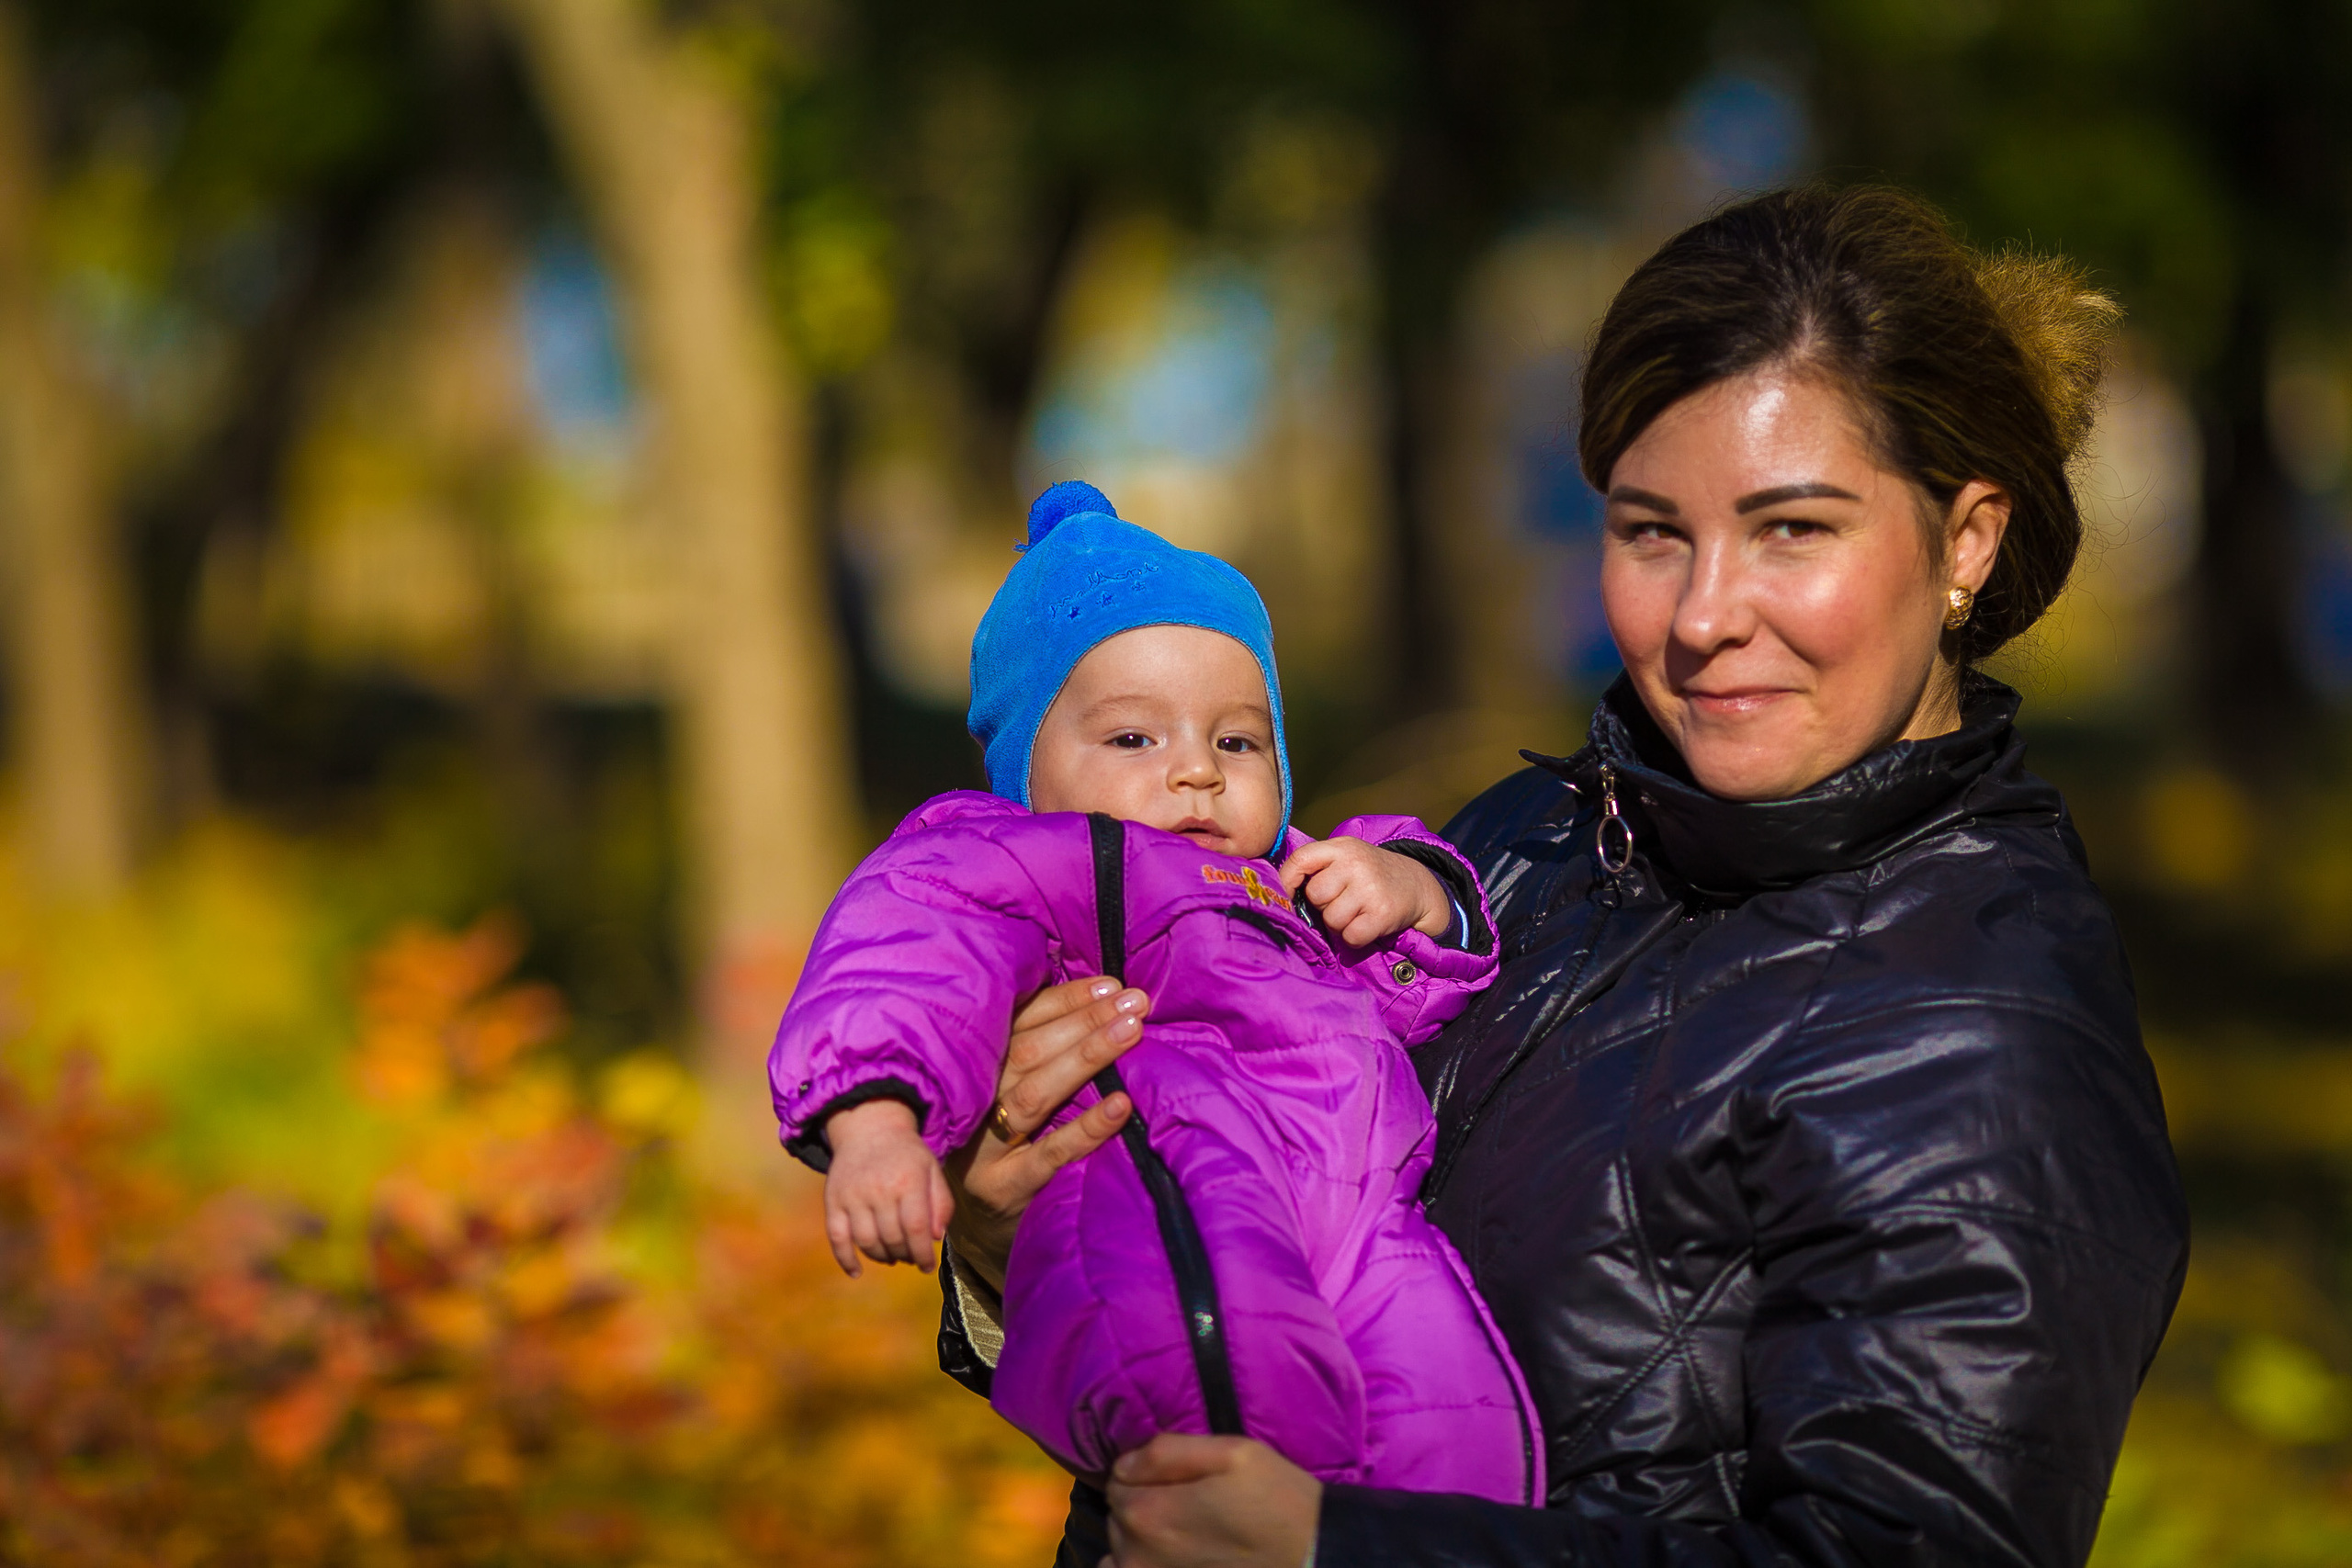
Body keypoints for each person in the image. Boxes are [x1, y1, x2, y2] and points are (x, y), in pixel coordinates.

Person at [933, 186, 2190, 1568]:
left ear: (1967, 540)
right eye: (1653, 530)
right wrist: (1012, 1233)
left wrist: (1338, 1549)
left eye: (1793, 529)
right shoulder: (1531, 835)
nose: (1705, 615)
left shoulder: (1986, 1032)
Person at [769, 482, 1543, 1502]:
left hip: (1368, 1223)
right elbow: (906, 953)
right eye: (1135, 740)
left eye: (1236, 741)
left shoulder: (1298, 882)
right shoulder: (1029, 860)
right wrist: (875, 1124)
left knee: (1460, 1435)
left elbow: (1428, 991)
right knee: (1234, 1414)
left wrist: (1412, 894)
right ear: (1024, 769)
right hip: (1169, 1209)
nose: (1196, 776)